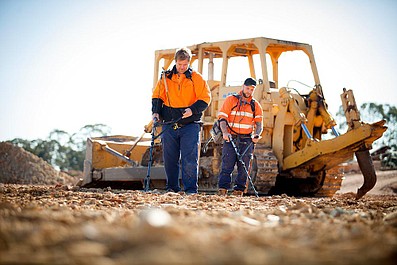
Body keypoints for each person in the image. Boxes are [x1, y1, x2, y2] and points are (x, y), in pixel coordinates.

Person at [151, 47, 211, 194]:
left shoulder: (197, 78)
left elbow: (205, 98)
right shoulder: (165, 78)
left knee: (189, 159)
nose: (182, 67)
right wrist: (156, 112)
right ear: (175, 62)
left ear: (189, 63)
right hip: (169, 124)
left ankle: (191, 190)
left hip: (190, 125)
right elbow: (157, 96)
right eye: (179, 64)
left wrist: (192, 110)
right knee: (170, 159)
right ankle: (172, 188)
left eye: (185, 65)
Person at [217, 77, 263, 196]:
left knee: (244, 166)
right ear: (243, 86)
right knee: (227, 164)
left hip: (247, 139)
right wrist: (225, 133)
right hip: (231, 137)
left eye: (252, 89)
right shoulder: (230, 100)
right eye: (247, 88)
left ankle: (239, 191)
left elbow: (259, 124)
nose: (249, 91)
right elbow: (222, 119)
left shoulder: (255, 105)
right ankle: (222, 190)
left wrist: (256, 134)